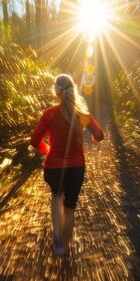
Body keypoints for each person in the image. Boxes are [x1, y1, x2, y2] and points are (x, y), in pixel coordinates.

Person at [30, 74, 104, 255]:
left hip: (54, 168)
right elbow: (99, 135)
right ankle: (65, 244)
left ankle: (56, 237)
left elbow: (34, 141)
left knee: (56, 197)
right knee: (70, 206)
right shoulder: (81, 114)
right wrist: (93, 139)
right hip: (76, 168)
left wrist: (48, 151)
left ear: (56, 91)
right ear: (73, 90)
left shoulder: (48, 114)